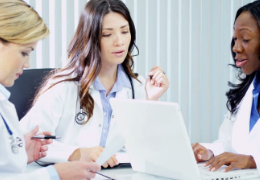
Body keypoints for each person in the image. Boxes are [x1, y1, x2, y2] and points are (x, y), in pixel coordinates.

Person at [20, 0, 169, 168]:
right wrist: (76, 153)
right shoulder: (62, 86)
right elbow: (25, 141)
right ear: (90, 38)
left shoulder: (138, 86)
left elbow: (149, 149)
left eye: (125, 31)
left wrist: (151, 101)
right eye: (107, 34)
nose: (119, 41)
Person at [0, 0, 100, 179]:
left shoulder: (3, 103)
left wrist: (17, 154)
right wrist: (54, 175)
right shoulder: (62, 85)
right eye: (24, 52)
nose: (27, 64)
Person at [192, 0, 260, 174]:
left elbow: (248, 156)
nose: (236, 47)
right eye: (235, 39)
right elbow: (230, 143)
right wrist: (209, 152)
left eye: (245, 39)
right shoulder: (245, 89)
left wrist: (253, 161)